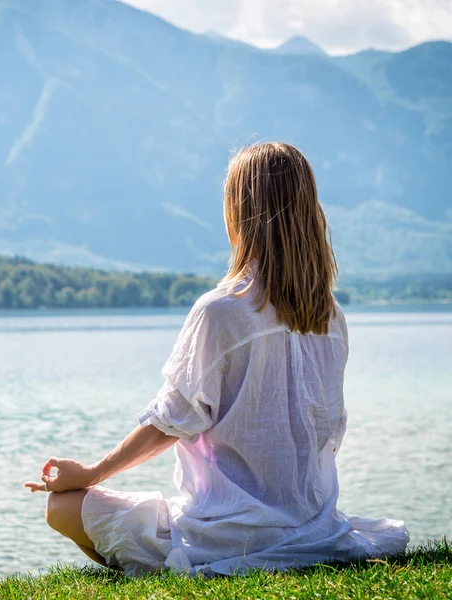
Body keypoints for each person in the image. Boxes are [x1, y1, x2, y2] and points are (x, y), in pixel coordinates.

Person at [24, 142, 409, 576]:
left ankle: (165, 567)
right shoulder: (330, 316)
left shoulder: (221, 310)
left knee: (61, 507)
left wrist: (91, 473)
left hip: (228, 534)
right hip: (314, 526)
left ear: (238, 213)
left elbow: (170, 421)